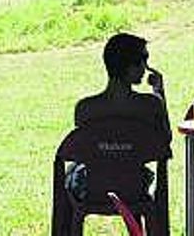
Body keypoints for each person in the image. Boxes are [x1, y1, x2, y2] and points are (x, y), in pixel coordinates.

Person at [67, 33, 171, 200]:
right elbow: (164, 142)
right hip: (136, 186)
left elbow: (87, 150)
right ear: (131, 67)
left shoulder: (85, 109)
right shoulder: (150, 105)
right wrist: (160, 92)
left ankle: (67, 226)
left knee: (70, 172)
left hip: (93, 188)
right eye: (143, 60)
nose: (145, 67)